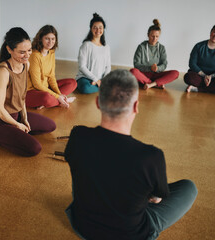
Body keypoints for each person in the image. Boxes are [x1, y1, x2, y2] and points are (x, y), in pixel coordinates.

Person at [65, 69, 198, 240]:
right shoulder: (150, 156)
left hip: (83, 226)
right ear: (136, 106)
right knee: (189, 187)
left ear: (98, 102)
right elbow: (157, 198)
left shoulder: (78, 136)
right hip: (130, 234)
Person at [0, 27, 56, 157]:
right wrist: (17, 125)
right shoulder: (3, 72)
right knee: (34, 148)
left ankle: (15, 133)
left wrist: (24, 118)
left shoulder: (25, 65)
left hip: (16, 115)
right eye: (22, 52)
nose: (27, 55)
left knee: (50, 126)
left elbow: (22, 97)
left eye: (29, 50)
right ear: (9, 50)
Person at [26, 25, 77, 109]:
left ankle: (55, 101)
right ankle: (62, 101)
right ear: (40, 39)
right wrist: (57, 97)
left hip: (45, 88)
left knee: (72, 83)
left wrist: (58, 94)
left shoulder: (51, 52)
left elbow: (51, 77)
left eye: (53, 39)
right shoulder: (34, 55)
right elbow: (37, 84)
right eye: (47, 39)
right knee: (46, 98)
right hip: (32, 91)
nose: (50, 42)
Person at [184, 23, 215, 94]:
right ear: (211, 32)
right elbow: (192, 64)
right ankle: (214, 89)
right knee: (188, 77)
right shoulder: (199, 46)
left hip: (214, 78)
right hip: (199, 76)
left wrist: (210, 76)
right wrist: (205, 76)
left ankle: (197, 89)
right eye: (214, 32)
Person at [130, 19, 179, 90]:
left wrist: (157, 68)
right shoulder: (141, 47)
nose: (154, 39)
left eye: (157, 36)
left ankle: (151, 84)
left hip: (157, 74)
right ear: (148, 35)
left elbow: (164, 64)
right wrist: (150, 68)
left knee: (176, 73)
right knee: (133, 71)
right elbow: (136, 65)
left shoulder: (162, 48)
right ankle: (155, 84)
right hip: (144, 74)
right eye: (152, 36)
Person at [76, 13, 111, 94]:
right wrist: (96, 80)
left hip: (100, 79)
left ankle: (101, 85)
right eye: (95, 28)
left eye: (100, 28)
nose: (98, 30)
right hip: (85, 78)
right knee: (85, 88)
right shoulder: (86, 45)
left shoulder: (106, 47)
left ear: (103, 29)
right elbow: (82, 67)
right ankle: (103, 87)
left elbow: (108, 66)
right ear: (91, 29)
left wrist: (103, 80)